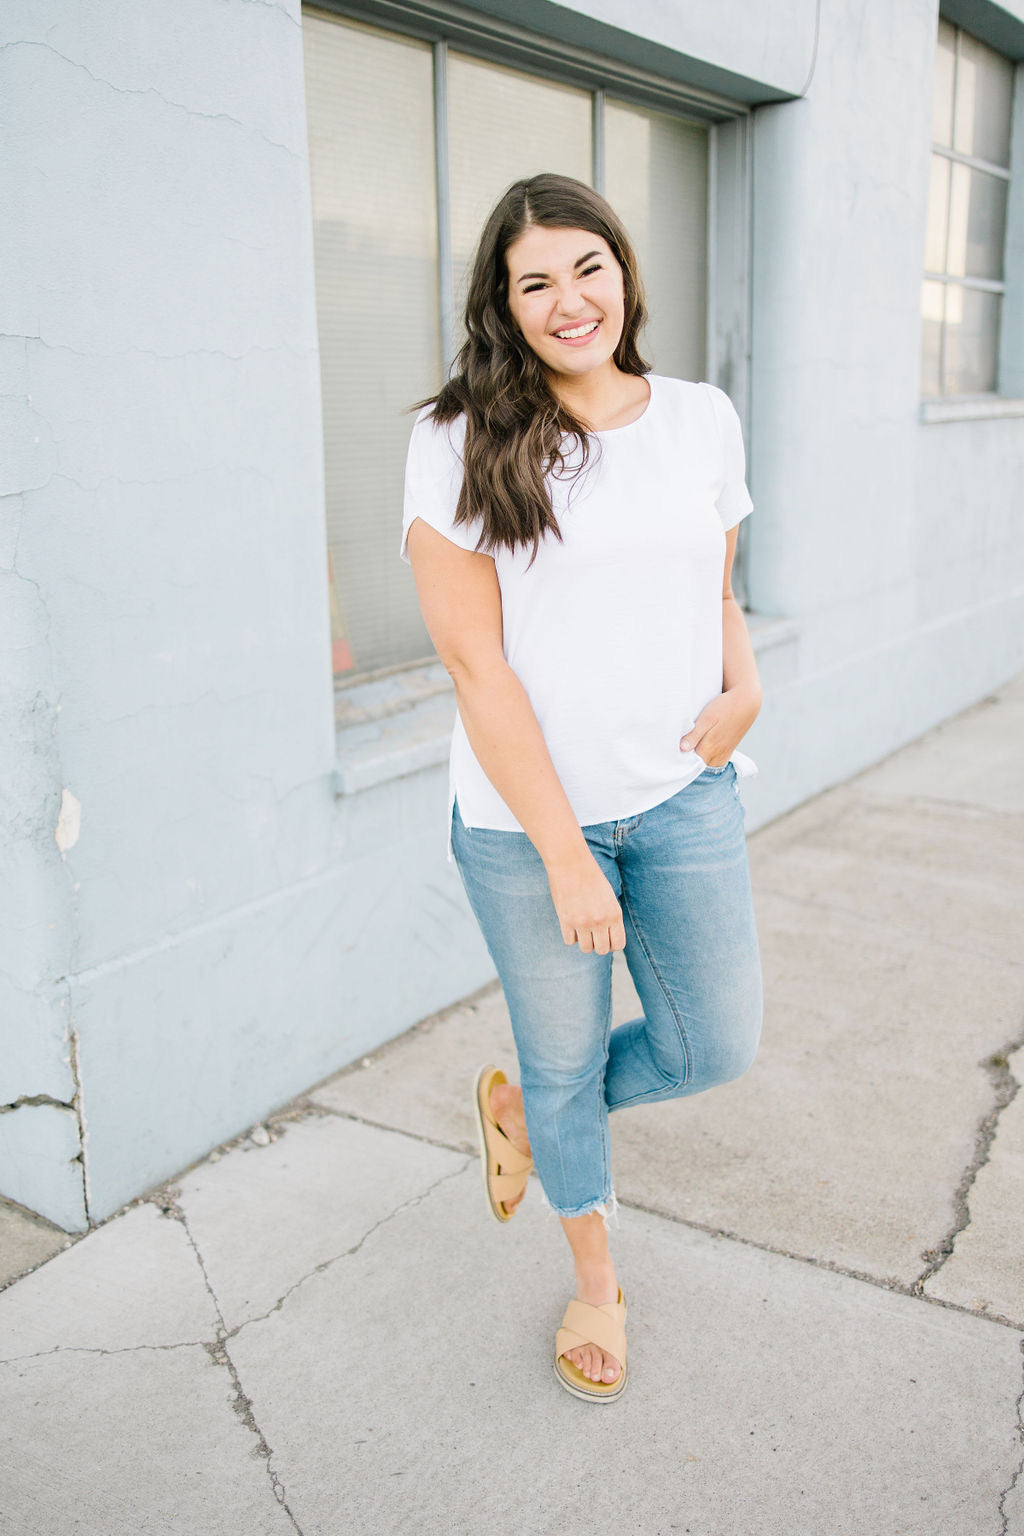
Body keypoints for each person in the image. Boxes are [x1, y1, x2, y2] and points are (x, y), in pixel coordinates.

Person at [399, 172, 763, 1403]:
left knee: (714, 1042)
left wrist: (745, 686)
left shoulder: (701, 416)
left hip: (681, 793)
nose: (569, 301)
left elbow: (713, 589)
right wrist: (563, 850)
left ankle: (535, 1119)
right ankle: (596, 1281)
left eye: (586, 268)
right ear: (504, 305)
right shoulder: (456, 436)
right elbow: (471, 659)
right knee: (563, 1063)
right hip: (522, 824)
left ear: (623, 271)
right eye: (535, 282)